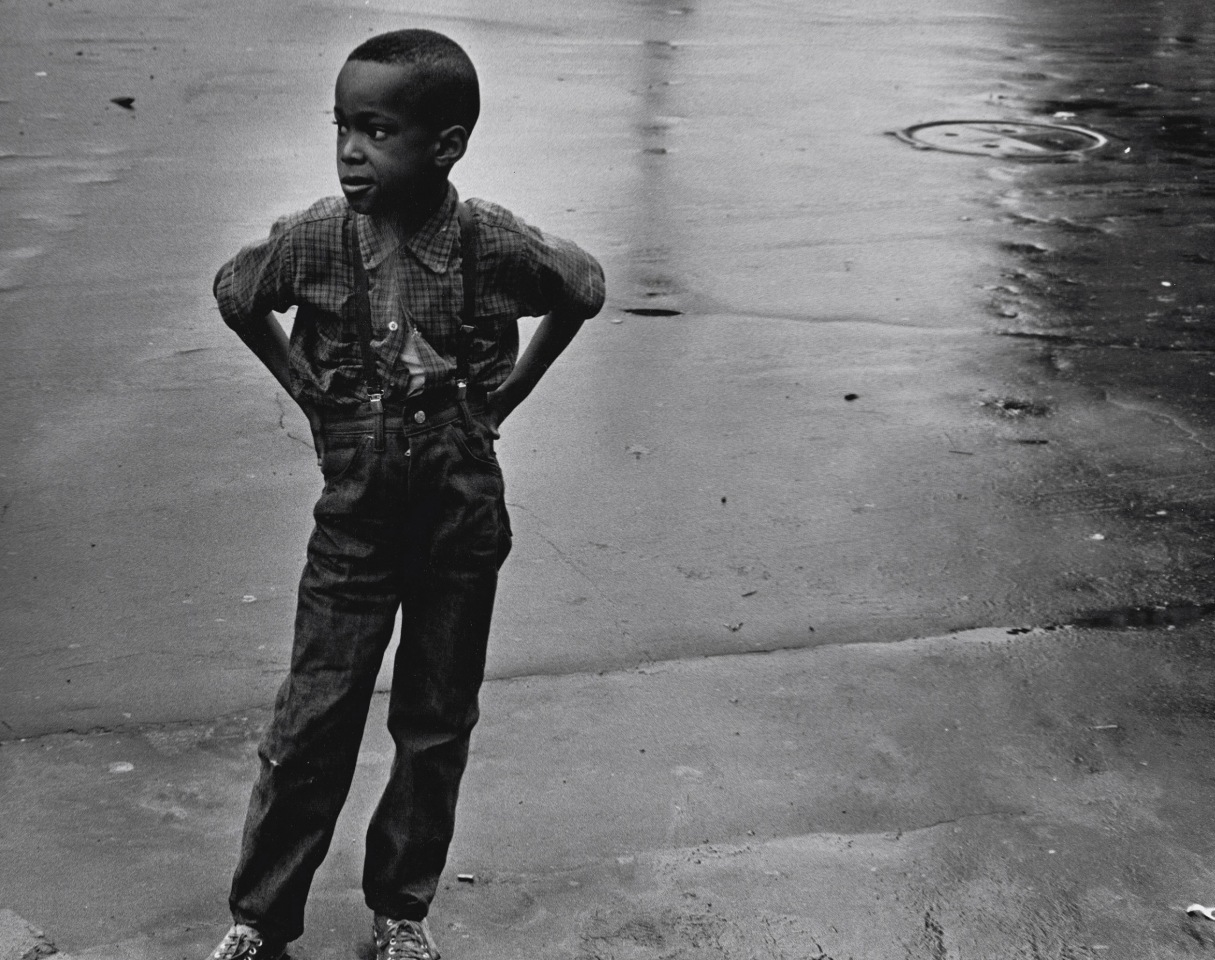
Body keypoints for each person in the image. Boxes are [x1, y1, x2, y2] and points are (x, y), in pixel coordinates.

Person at [208, 27, 605, 960]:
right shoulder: (315, 239)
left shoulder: (490, 242)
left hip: (462, 520)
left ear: (446, 144)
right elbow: (235, 293)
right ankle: (260, 920)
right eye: (342, 127)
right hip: (355, 525)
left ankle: (401, 910)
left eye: (377, 130)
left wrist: (508, 395)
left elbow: (582, 288)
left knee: (434, 720)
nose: (351, 150)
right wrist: (304, 388)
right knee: (313, 720)